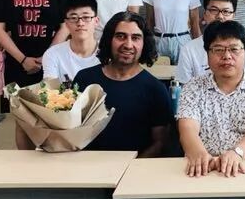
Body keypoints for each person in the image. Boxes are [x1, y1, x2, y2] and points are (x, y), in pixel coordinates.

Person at [177, 20, 245, 178]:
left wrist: (236, 154)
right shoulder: (193, 87)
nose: (227, 56)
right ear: (207, 54)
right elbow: (187, 128)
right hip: (202, 167)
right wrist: (200, 155)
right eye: (218, 50)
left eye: (234, 49)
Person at [73, 12, 172, 156]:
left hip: (135, 167)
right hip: (85, 164)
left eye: (135, 38)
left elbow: (160, 143)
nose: (128, 45)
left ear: (144, 44)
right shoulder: (84, 79)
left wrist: (133, 166)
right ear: (109, 40)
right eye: (121, 36)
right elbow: (71, 131)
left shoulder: (155, 89)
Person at [176, 0, 245, 83]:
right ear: (204, 14)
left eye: (226, 11)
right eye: (214, 10)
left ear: (233, 16)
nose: (220, 16)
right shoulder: (189, 49)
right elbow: (184, 86)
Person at [42, 0, 101, 82]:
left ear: (96, 21)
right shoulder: (53, 54)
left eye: (86, 17)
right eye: (73, 18)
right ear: (66, 23)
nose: (80, 23)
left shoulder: (109, 54)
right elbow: (50, 87)